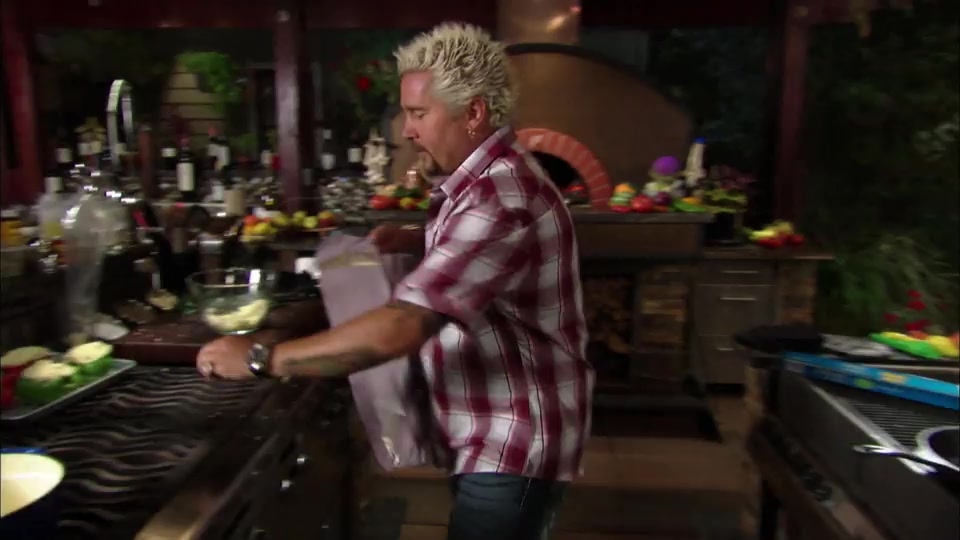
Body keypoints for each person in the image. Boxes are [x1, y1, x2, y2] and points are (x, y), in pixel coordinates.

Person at [196, 22, 593, 540]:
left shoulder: (500, 196)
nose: (407, 130)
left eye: (419, 113)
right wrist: (417, 240)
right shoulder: (483, 184)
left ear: (473, 113)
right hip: (493, 429)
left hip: (514, 439)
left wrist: (259, 358)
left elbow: (402, 328)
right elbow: (489, 260)